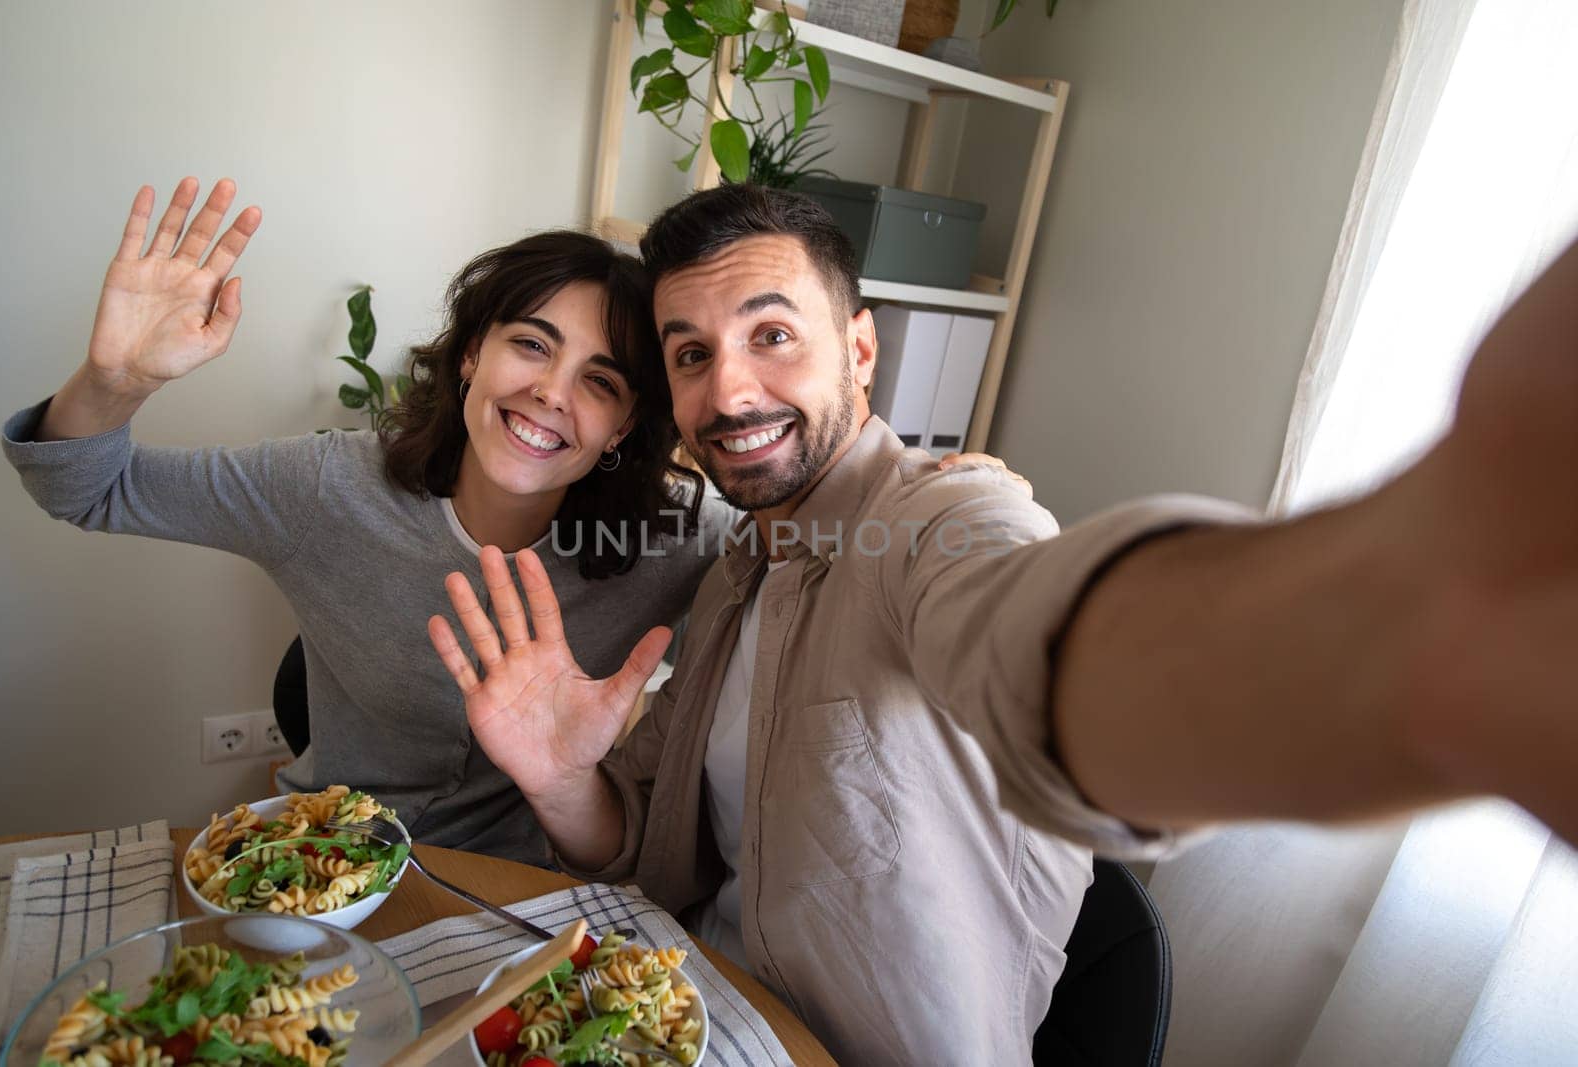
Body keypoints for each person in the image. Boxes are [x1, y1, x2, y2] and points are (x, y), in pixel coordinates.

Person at [428, 183, 1578, 1063]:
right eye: (691, 354)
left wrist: (1393, 637)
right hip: (686, 1014)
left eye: (771, 333)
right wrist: (563, 775)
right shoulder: (736, 575)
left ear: (860, 350)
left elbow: (1035, 632)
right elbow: (645, 850)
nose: (728, 392)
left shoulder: (944, 516)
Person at [1, 177, 725, 863]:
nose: (549, 392)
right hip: (325, 866)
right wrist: (114, 382)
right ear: (473, 353)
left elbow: (814, 535)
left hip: (514, 896)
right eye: (532, 344)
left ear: (626, 425)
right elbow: (90, 489)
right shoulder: (328, 486)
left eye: (599, 381)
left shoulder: (664, 541)